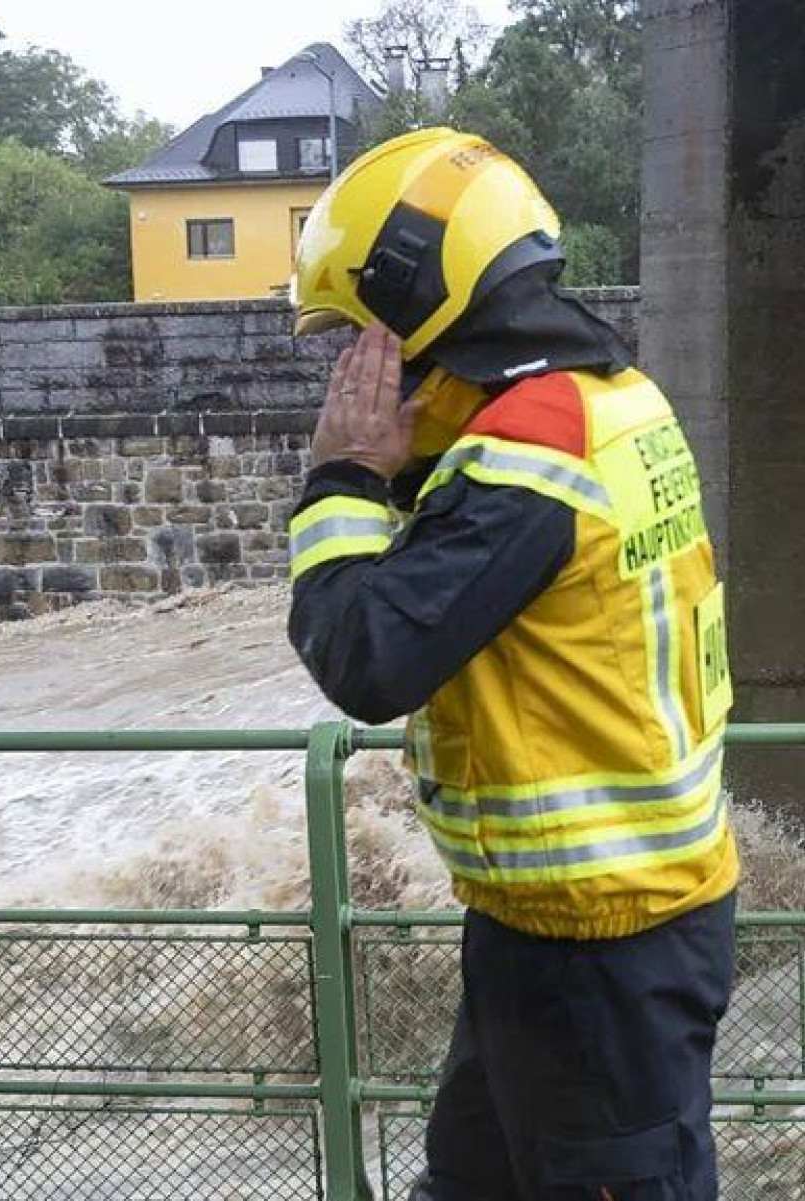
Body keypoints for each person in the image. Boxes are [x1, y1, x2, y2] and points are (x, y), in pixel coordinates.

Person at [283, 127, 739, 1201]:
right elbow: (476, 562)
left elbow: (367, 652)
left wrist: (343, 476)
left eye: (359, 332)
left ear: (418, 308)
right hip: (561, 926)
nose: (353, 361)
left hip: (601, 951)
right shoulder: (605, 398)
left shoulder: (531, 455)